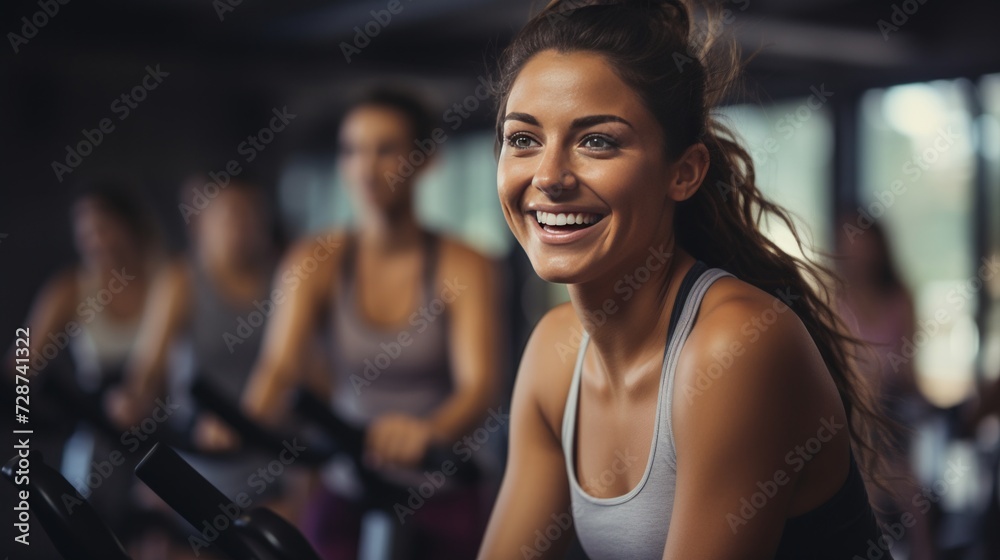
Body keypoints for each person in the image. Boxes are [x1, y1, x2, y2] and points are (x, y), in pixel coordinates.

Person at [478, 1, 892, 559]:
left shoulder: (736, 346)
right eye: (523, 139)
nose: (549, 177)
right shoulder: (555, 352)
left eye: (597, 140)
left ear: (685, 172)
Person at [235, 87, 501, 559]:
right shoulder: (313, 261)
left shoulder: (465, 266)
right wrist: (240, 422)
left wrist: (429, 434)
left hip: (442, 489)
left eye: (385, 150)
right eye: (352, 150)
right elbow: (280, 367)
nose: (365, 168)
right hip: (348, 485)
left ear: (426, 160)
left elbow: (478, 387)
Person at [16, 181, 162, 536]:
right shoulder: (70, 288)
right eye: (86, 232)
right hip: (96, 438)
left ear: (130, 227)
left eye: (104, 229)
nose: (95, 241)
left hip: (162, 432)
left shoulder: (167, 282)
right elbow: (21, 364)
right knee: (94, 534)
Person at [836, 218, 934, 560]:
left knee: (900, 478)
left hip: (893, 400)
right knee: (869, 473)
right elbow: (838, 367)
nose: (858, 255)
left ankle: (921, 549)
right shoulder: (836, 299)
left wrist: (881, 380)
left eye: (864, 246)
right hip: (856, 404)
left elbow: (908, 365)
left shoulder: (899, 296)